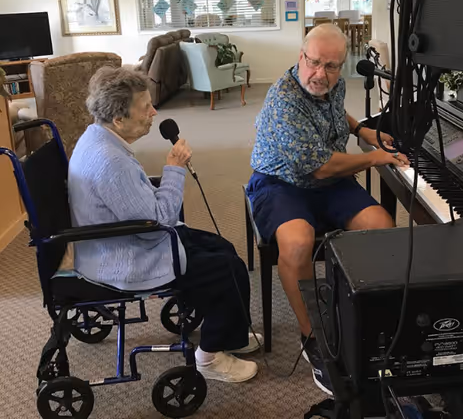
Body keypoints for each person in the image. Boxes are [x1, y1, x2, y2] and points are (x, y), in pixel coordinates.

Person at [68, 66, 261, 383]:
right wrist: (173, 170)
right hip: (127, 254)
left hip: (124, 239)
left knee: (222, 247)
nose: (154, 112)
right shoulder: (111, 161)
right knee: (226, 268)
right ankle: (210, 356)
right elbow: (159, 221)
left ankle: (229, 333)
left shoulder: (97, 136)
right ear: (119, 119)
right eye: (145, 108)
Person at [246, 24, 409, 395]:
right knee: (299, 241)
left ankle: (364, 313)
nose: (321, 74)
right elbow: (317, 166)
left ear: (341, 65)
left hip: (328, 180)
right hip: (280, 181)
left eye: (332, 66)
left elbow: (337, 116)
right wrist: (373, 158)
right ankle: (313, 338)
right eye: (314, 63)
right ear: (300, 57)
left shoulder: (333, 82)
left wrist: (363, 131)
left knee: (382, 227)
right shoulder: (284, 99)